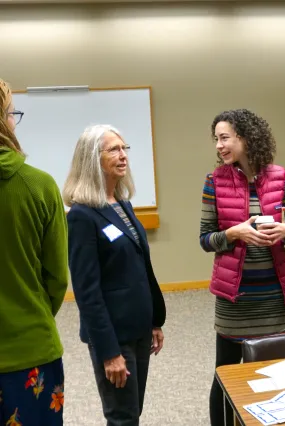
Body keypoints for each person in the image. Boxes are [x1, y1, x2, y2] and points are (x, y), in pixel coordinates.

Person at [200, 109, 285, 426]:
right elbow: (205, 239)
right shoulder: (214, 182)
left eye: (224, 137)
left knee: (275, 376)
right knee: (226, 376)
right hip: (236, 298)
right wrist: (233, 234)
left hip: (275, 294)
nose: (219, 145)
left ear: (245, 137)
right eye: (216, 139)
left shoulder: (280, 176)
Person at [64, 124, 166, 426]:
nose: (123, 156)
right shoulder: (83, 215)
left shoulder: (123, 205)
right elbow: (87, 292)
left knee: (133, 411)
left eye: (125, 149)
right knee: (122, 418)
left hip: (138, 328)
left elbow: (140, 268)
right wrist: (109, 353)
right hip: (112, 336)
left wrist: (154, 321)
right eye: (114, 150)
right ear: (92, 159)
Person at [0, 78, 68, 425]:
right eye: (12, 113)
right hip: (31, 353)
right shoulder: (39, 186)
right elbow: (57, 278)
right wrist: (33, 310)